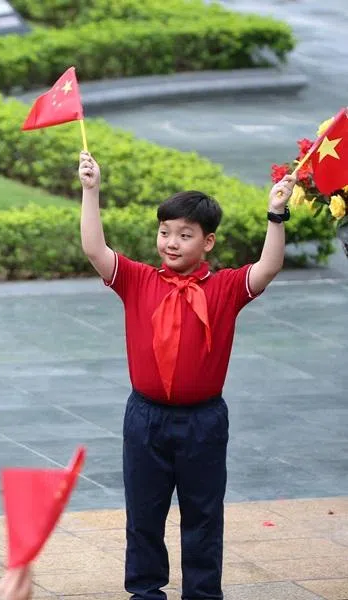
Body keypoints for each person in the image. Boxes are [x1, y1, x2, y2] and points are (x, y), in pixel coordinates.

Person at [78, 150, 295, 600]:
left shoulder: (226, 288)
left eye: (184, 234)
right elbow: (94, 249)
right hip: (145, 418)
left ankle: (202, 593)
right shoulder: (138, 280)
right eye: (164, 232)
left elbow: (269, 267)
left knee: (203, 513)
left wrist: (277, 214)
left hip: (204, 421)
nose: (171, 242)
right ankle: (144, 590)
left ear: (208, 242)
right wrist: (90, 190)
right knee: (144, 512)